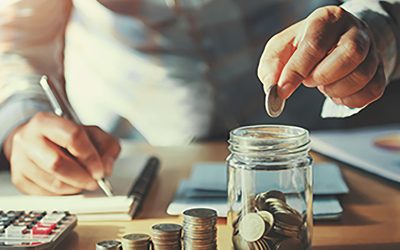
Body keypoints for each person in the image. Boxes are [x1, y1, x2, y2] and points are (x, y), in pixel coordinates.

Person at [0, 0, 398, 196]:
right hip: (126, 159)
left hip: (321, 134)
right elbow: (19, 38)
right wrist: (21, 121)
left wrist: (377, 28)